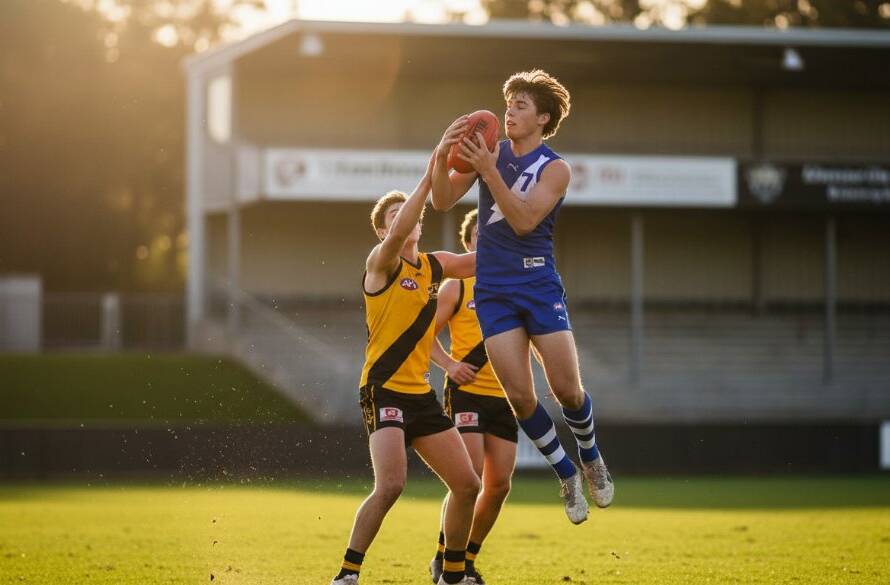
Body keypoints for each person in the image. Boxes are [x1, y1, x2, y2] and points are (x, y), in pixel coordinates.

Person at [430, 70, 614, 526]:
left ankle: (591, 457)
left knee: (568, 390)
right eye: (508, 103)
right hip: (493, 290)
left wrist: (489, 170)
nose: (508, 111)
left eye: (520, 106)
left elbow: (525, 221)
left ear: (543, 118)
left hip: (537, 283)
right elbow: (441, 200)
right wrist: (440, 153)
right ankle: (567, 473)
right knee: (521, 397)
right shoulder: (486, 153)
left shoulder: (556, 168)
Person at [331, 136, 480, 585]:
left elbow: (479, 262)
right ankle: (347, 574)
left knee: (469, 485)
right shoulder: (382, 262)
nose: (406, 220)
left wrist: (526, 224)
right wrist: (433, 167)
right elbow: (402, 229)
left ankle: (451, 574)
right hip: (383, 389)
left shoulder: (434, 266)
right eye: (395, 216)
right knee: (392, 485)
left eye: (407, 214)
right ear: (383, 230)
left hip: (421, 396)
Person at [428, 209, 516, 585]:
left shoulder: (516, 285)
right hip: (467, 393)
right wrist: (449, 365)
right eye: (481, 236)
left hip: (506, 397)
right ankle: (445, 558)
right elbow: (423, 334)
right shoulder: (456, 287)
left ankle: (468, 558)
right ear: (469, 244)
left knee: (499, 487)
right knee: (471, 479)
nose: (489, 241)